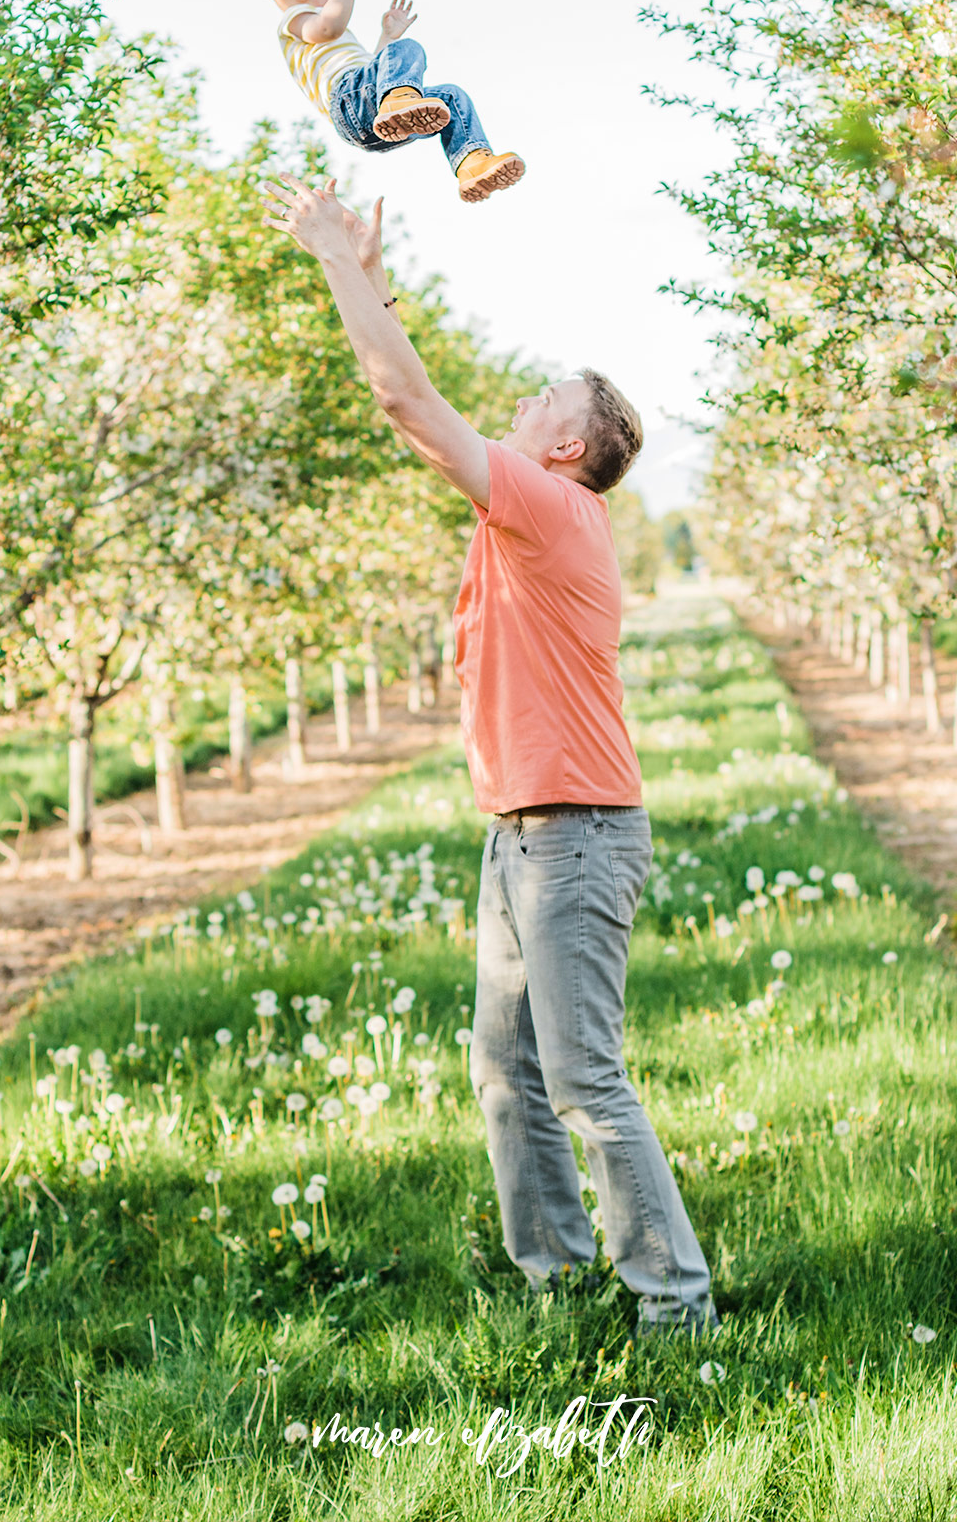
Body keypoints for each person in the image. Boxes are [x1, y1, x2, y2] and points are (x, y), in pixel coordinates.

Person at [261, 173, 717, 1338]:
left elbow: (411, 405)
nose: (515, 401)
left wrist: (331, 261)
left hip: (575, 836)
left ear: (565, 445)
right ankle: (558, 1283)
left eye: (537, 397)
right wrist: (370, 279)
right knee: (508, 1077)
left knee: (582, 1080)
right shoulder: (533, 506)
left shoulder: (551, 511)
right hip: (522, 832)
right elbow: (426, 402)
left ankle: (678, 1311)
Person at [261, 0, 525, 204]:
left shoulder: (338, 46)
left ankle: (471, 163)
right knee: (408, 49)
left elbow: (377, 74)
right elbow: (330, 26)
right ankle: (399, 103)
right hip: (347, 101)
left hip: (371, 123)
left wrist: (388, 36)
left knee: (451, 96)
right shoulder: (295, 20)